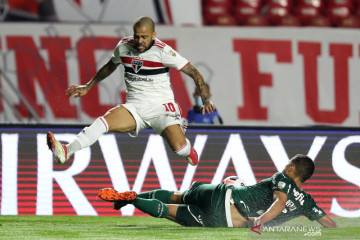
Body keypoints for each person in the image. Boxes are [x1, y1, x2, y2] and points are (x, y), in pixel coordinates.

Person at [46, 16, 215, 166]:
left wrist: (205, 99)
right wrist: (88, 86)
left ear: (153, 35)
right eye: (137, 36)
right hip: (135, 107)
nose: (139, 41)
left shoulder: (163, 51)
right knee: (102, 123)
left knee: (179, 149)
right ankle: (66, 151)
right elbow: (110, 66)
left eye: (144, 37)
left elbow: (194, 71)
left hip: (162, 108)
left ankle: (189, 149)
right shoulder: (124, 47)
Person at [97, 154, 337, 228]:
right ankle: (134, 200)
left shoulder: (282, 177)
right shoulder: (307, 202)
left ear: (292, 167)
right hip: (222, 216)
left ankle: (130, 197)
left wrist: (263, 218)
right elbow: (330, 225)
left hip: (219, 191)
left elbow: (281, 200)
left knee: (176, 195)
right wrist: (260, 222)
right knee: (168, 211)